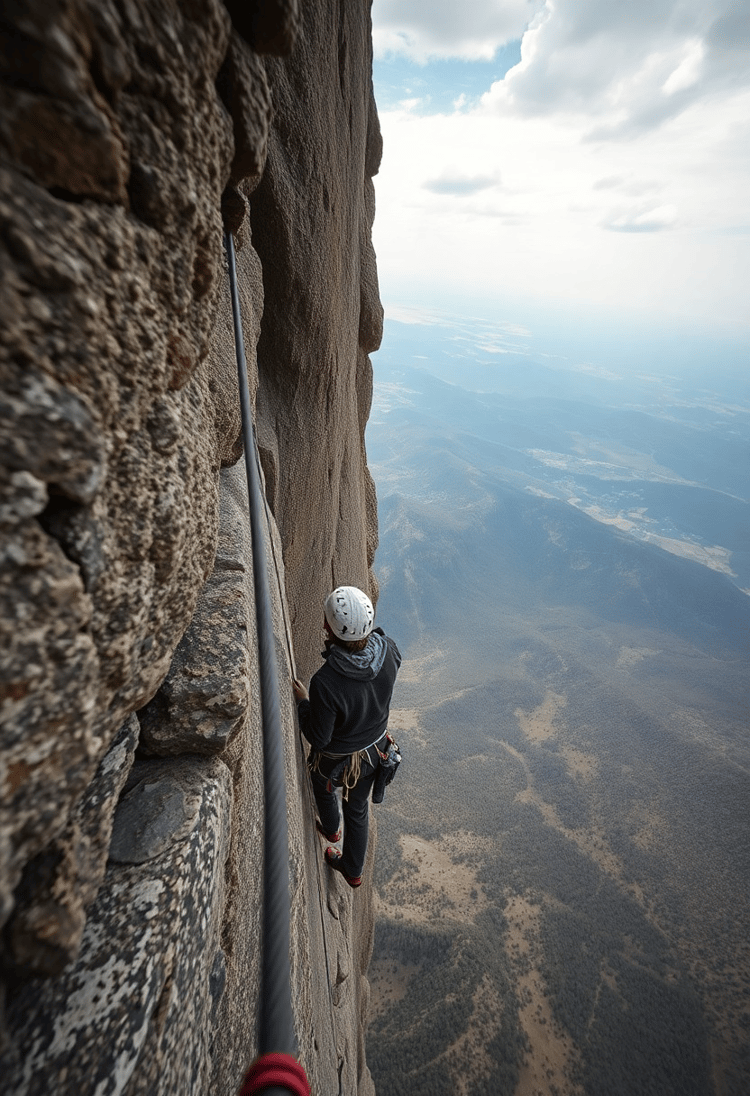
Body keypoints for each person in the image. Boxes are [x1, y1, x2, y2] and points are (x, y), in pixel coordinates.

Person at [292, 585, 401, 888]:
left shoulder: (326, 682)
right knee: (358, 809)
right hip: (376, 751)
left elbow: (319, 737)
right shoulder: (389, 650)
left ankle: (331, 830)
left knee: (320, 783)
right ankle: (353, 870)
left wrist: (304, 704)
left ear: (328, 627)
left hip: (340, 762)